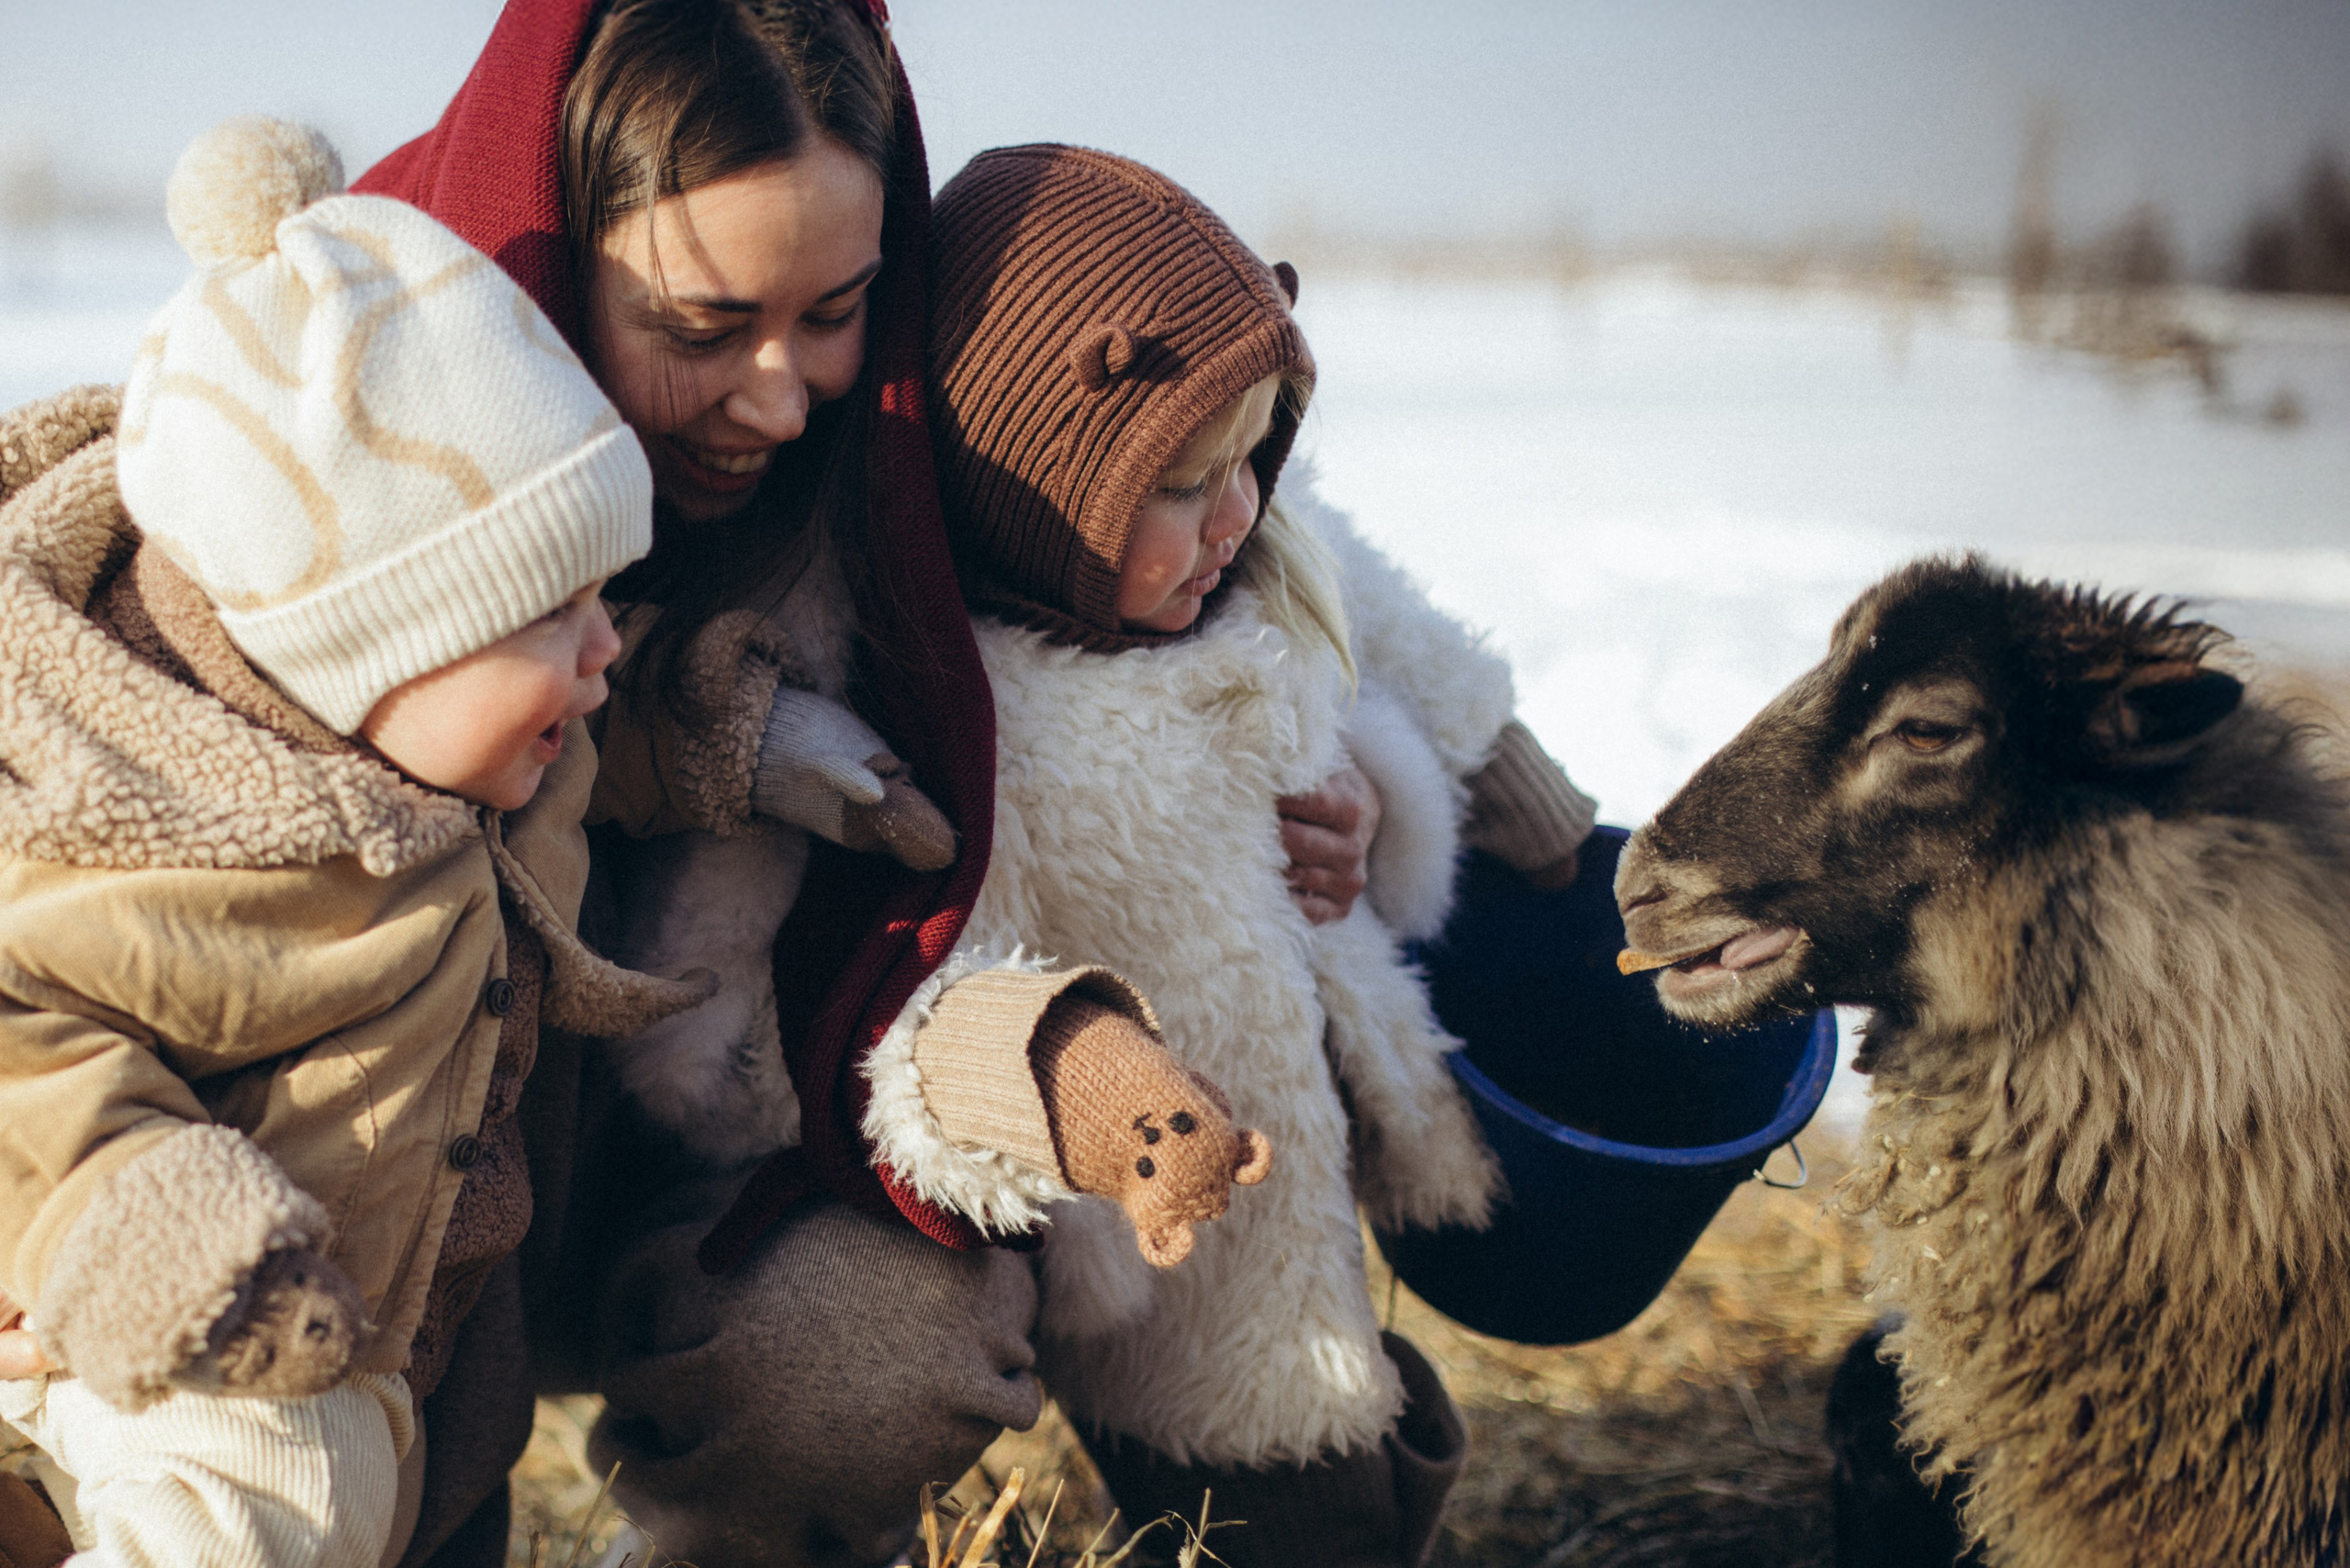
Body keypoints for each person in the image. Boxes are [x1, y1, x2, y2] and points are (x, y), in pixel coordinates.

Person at [351, 3, 1594, 1562]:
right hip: (406, 1159)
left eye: (838, 310)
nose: (780, 393)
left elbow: (1223, 570)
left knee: (876, 1358)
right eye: (699, 324)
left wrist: (1313, 773)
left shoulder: (904, 476)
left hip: (755, 1149)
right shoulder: (341, 449)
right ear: (548, 245)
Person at [0, 116, 687, 1568]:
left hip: (395, 1379)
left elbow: (623, 755)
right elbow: (28, 1036)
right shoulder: (186, 831)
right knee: (265, 1511)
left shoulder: (473, 766)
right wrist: (167, 1234)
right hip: (194, 1341)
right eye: (549, 617)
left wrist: (734, 731)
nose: (602, 649)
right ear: (367, 645)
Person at [885, 141, 1548, 1568]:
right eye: (1185, 484)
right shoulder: (993, 729)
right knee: (1282, 1496)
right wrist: (1076, 1070)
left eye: (1259, 455)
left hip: (1329, 1120)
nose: (1240, 512)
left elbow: (1397, 656)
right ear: (1036, 491)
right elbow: (929, 1009)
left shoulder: (1250, 580)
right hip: (1188, 1238)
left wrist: (1387, 805)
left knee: (1363, 1436)